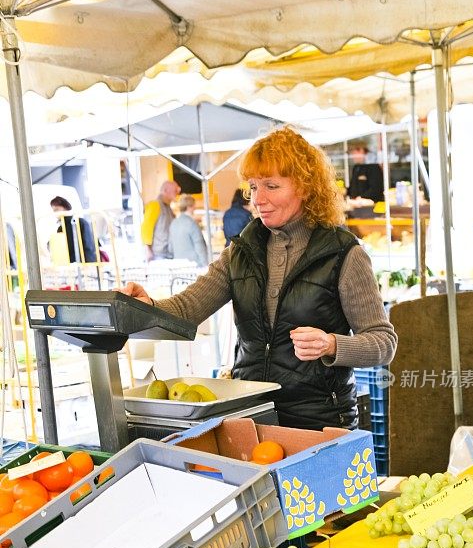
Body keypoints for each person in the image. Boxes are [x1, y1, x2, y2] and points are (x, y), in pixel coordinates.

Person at [122, 127, 397, 430]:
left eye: (271, 186)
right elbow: (189, 307)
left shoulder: (343, 253)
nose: (258, 199)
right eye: (253, 187)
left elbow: (383, 342)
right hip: (252, 416)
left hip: (320, 423)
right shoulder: (241, 250)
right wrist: (145, 306)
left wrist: (332, 344)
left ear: (305, 187)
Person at [140, 180, 181, 261]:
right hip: (158, 255)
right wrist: (147, 250)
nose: (178, 192)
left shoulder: (168, 207)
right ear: (165, 191)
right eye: (175, 190)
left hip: (168, 253)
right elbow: (146, 228)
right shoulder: (154, 205)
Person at [50, 196, 97, 263]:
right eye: (53, 210)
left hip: (84, 264)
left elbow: (88, 248)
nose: (55, 213)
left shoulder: (80, 222)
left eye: (56, 209)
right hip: (71, 265)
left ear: (66, 208)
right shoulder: (60, 228)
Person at [168, 195, 208, 267]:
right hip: (194, 265)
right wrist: (205, 265)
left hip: (178, 265)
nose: (195, 208)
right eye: (193, 206)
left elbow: (170, 248)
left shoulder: (173, 223)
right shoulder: (192, 223)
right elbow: (199, 245)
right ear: (189, 207)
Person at [347, 142, 384, 218]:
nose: (352, 156)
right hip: (357, 210)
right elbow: (352, 188)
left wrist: (360, 198)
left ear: (361, 151)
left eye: (353, 153)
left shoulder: (374, 167)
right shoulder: (356, 168)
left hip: (372, 211)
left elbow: (375, 189)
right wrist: (344, 191)